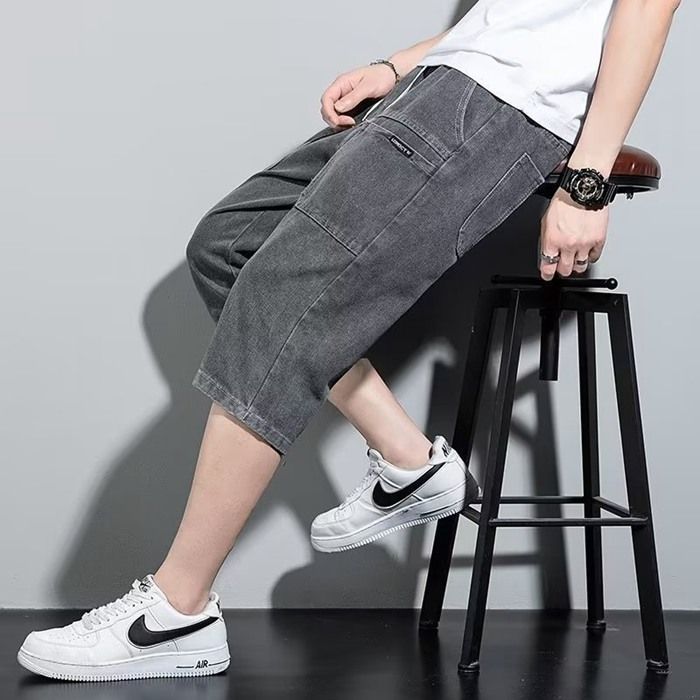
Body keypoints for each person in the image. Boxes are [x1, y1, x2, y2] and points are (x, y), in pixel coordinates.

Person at [17, 0, 681, 682]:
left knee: (281, 293)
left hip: (499, 104)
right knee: (228, 245)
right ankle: (409, 461)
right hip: (444, 84)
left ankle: (177, 611)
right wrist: (398, 66)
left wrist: (587, 181)